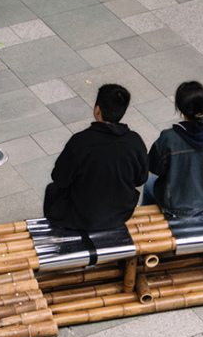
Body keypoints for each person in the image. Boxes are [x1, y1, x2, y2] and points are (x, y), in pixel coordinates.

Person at [43, 83, 148, 232]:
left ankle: (52, 230)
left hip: (82, 216)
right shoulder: (135, 141)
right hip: (121, 213)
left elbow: (60, 178)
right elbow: (141, 179)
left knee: (52, 190)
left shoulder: (80, 142)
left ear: (97, 109)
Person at [143, 81, 203, 217]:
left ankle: (144, 223)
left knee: (148, 185)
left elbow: (155, 168)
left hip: (174, 206)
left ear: (180, 108)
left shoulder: (169, 138)